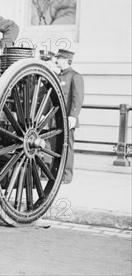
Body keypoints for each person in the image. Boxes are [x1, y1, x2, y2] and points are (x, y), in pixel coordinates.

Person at [55, 48, 85, 184]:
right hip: (55, 118)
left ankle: (66, 175)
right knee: (54, 146)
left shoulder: (75, 76)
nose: (57, 60)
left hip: (67, 117)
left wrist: (73, 115)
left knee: (66, 146)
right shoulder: (57, 76)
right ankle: (53, 173)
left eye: (59, 58)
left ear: (67, 59)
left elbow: (77, 98)